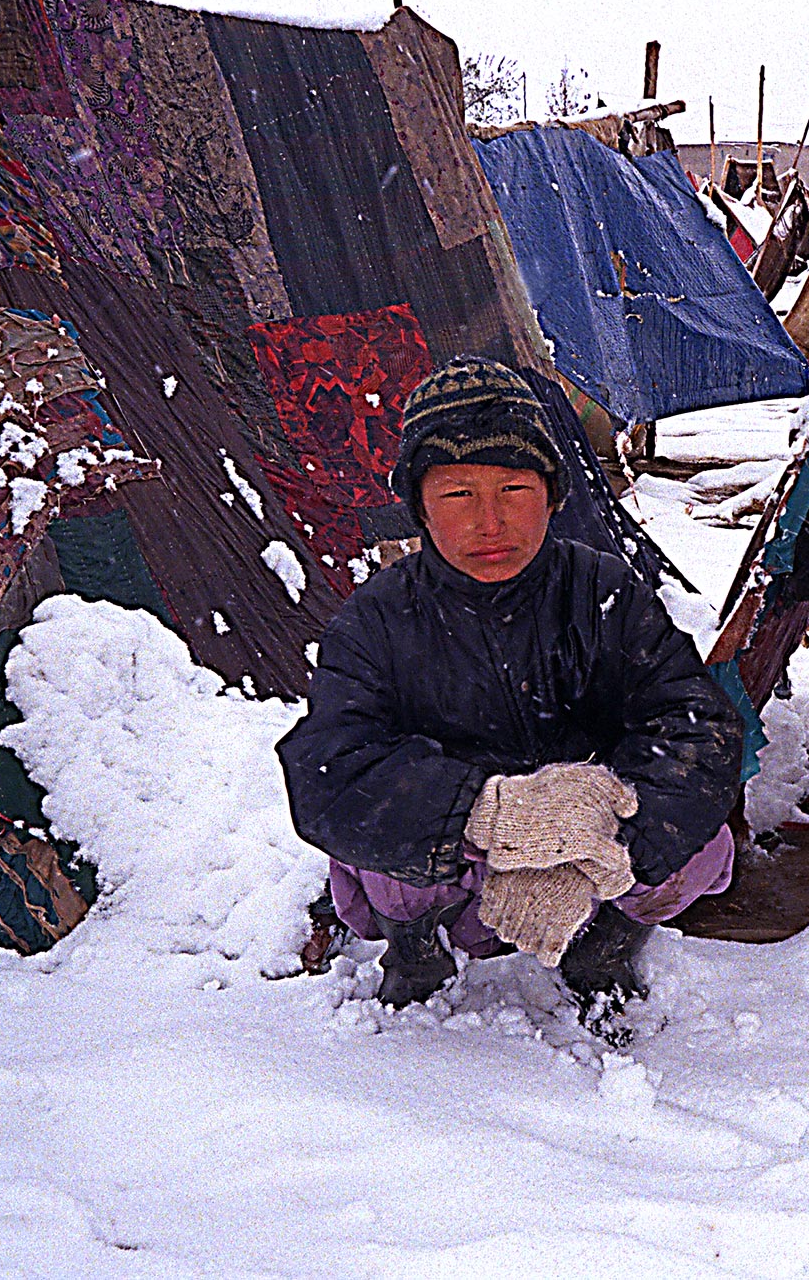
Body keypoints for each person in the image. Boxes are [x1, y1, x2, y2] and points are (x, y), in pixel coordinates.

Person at [277, 357, 743, 1025]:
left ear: (553, 495)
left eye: (514, 489)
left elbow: (698, 728)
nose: (489, 522)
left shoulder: (603, 592)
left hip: (585, 857)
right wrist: (488, 814)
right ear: (420, 506)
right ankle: (416, 955)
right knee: (378, 841)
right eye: (458, 495)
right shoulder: (378, 618)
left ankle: (602, 951)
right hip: (455, 868)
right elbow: (328, 770)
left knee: (702, 841)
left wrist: (592, 848)